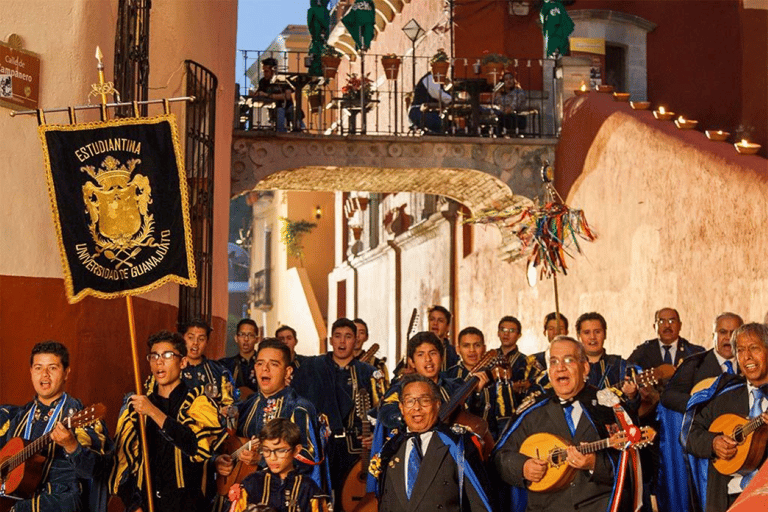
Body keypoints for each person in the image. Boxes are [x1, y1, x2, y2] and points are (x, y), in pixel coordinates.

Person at [494, 336, 624, 512]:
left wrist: (595, 464)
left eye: (568, 360)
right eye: (554, 362)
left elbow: (637, 466)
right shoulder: (532, 411)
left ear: (585, 367)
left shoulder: (609, 407)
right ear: (549, 372)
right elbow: (500, 457)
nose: (560, 367)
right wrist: (522, 467)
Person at [110, 330, 226, 512]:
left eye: (167, 355)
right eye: (154, 356)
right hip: (147, 503)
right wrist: (133, 504)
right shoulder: (137, 408)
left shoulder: (198, 401)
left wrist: (154, 412)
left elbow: (195, 447)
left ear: (183, 362)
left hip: (187, 504)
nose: (159, 361)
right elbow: (122, 462)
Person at [0, 341, 111, 512]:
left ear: (66, 372)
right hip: (19, 506)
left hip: (59, 504)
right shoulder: (18, 418)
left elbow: (96, 470)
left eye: (52, 368)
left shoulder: (79, 414)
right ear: (31, 372)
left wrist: (71, 446)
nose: (44, 375)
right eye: (38, 368)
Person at [290, 318, 386, 504]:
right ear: (331, 340)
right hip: (322, 445)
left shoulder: (368, 372)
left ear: (356, 340)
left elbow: (382, 410)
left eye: (348, 337)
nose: (342, 342)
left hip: (355, 450)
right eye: (338, 336)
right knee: (321, 499)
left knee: (352, 502)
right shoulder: (312, 367)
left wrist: (374, 436)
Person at [371, 374, 494, 512]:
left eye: (424, 400)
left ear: (437, 404)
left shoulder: (458, 444)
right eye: (410, 401)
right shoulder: (391, 448)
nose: (416, 407)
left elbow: (480, 504)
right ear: (401, 408)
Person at [215, 338, 324, 485]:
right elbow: (228, 444)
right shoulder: (247, 405)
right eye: (260, 363)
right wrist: (219, 460)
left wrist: (262, 460)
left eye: (274, 364)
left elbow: (309, 458)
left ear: (288, 371)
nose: (265, 369)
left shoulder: (298, 408)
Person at [684, 323, 768, 512]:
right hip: (727, 499)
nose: (747, 357)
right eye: (740, 350)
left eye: (754, 348)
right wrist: (713, 443)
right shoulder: (723, 398)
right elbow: (690, 435)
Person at [627, 308, 704, 512]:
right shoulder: (642, 353)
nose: (667, 325)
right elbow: (630, 375)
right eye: (662, 321)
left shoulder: (694, 352)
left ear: (680, 324)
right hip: (651, 427)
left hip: (686, 426)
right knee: (657, 478)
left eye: (672, 320)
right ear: (654, 326)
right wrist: (640, 392)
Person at [227, 418, 329, 512]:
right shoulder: (251, 484)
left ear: (296, 450)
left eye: (280, 451)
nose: (272, 458)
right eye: (266, 450)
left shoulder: (308, 488)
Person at [662, 312, 743, 413]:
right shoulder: (694, 364)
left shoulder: (750, 365)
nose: (729, 337)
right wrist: (699, 405)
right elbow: (668, 396)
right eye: (723, 332)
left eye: (734, 333)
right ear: (713, 336)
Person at [576, 312, 639, 406]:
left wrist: (632, 396)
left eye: (597, 332)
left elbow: (634, 411)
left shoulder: (622, 366)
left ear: (605, 334)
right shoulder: (571, 367)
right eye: (587, 332)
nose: (592, 337)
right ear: (578, 336)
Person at [181, 318, 236, 409]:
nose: (195, 343)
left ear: (207, 342)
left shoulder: (219, 371)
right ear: (183, 338)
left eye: (201, 339)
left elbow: (229, 405)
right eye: (190, 337)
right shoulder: (173, 367)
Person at [252, 57, 302, 132]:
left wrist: (267, 95)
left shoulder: (284, 79)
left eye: (266, 71)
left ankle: (298, 130)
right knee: (279, 111)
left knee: (285, 111)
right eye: (264, 71)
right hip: (273, 110)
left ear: (273, 70)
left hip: (287, 108)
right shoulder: (263, 82)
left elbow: (287, 96)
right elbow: (259, 93)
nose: (264, 74)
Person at [523, 312, 569, 392]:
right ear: (545, 332)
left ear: (566, 332)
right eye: (551, 329)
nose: (556, 332)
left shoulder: (575, 359)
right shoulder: (532, 361)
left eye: (560, 328)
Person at [220, 319, 261, 394]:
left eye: (250, 335)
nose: (246, 339)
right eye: (242, 334)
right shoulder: (226, 365)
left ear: (257, 339)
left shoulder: (263, 365)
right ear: (236, 338)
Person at [353, 318, 389, 386]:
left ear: (366, 337)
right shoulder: (338, 362)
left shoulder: (376, 363)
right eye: (354, 332)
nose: (357, 336)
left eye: (361, 333)